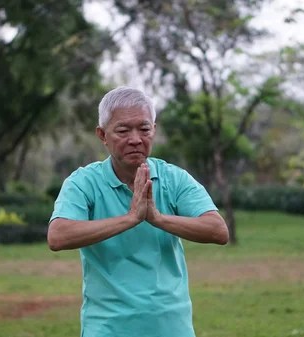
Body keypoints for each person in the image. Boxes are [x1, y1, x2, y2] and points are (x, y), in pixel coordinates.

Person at [47, 86, 229, 337]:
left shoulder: (173, 179)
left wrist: (157, 218)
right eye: (123, 130)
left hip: (170, 325)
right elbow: (58, 236)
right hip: (108, 327)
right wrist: (130, 218)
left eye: (144, 129)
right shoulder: (83, 183)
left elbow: (218, 231)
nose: (135, 139)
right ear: (102, 135)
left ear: (154, 130)